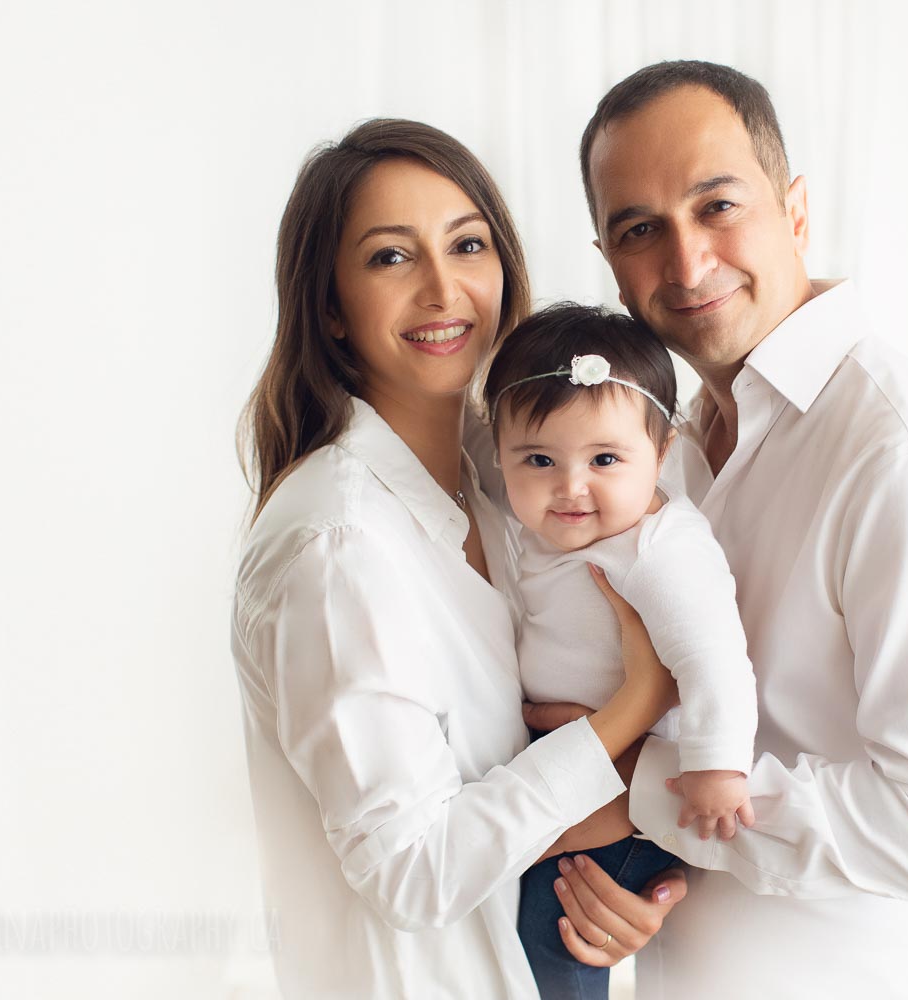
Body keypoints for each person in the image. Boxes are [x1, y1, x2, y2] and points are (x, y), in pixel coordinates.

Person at [529, 60, 908, 997]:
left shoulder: (896, 456)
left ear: (794, 211)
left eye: (717, 206)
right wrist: (641, 867)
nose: (686, 262)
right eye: (641, 230)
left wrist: (636, 785)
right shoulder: (656, 442)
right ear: (609, 260)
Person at [231, 118, 685, 999]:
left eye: (467, 245)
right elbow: (413, 872)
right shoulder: (339, 544)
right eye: (391, 258)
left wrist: (626, 878)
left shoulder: (501, 483)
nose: (444, 289)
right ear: (329, 306)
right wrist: (634, 707)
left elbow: (514, 774)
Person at [482, 303, 758, 999]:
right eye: (538, 460)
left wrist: (716, 766)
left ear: (660, 455)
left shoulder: (658, 548)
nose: (571, 486)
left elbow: (714, 657)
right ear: (500, 456)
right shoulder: (548, 533)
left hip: (617, 808)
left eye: (605, 459)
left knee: (559, 945)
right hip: (572, 773)